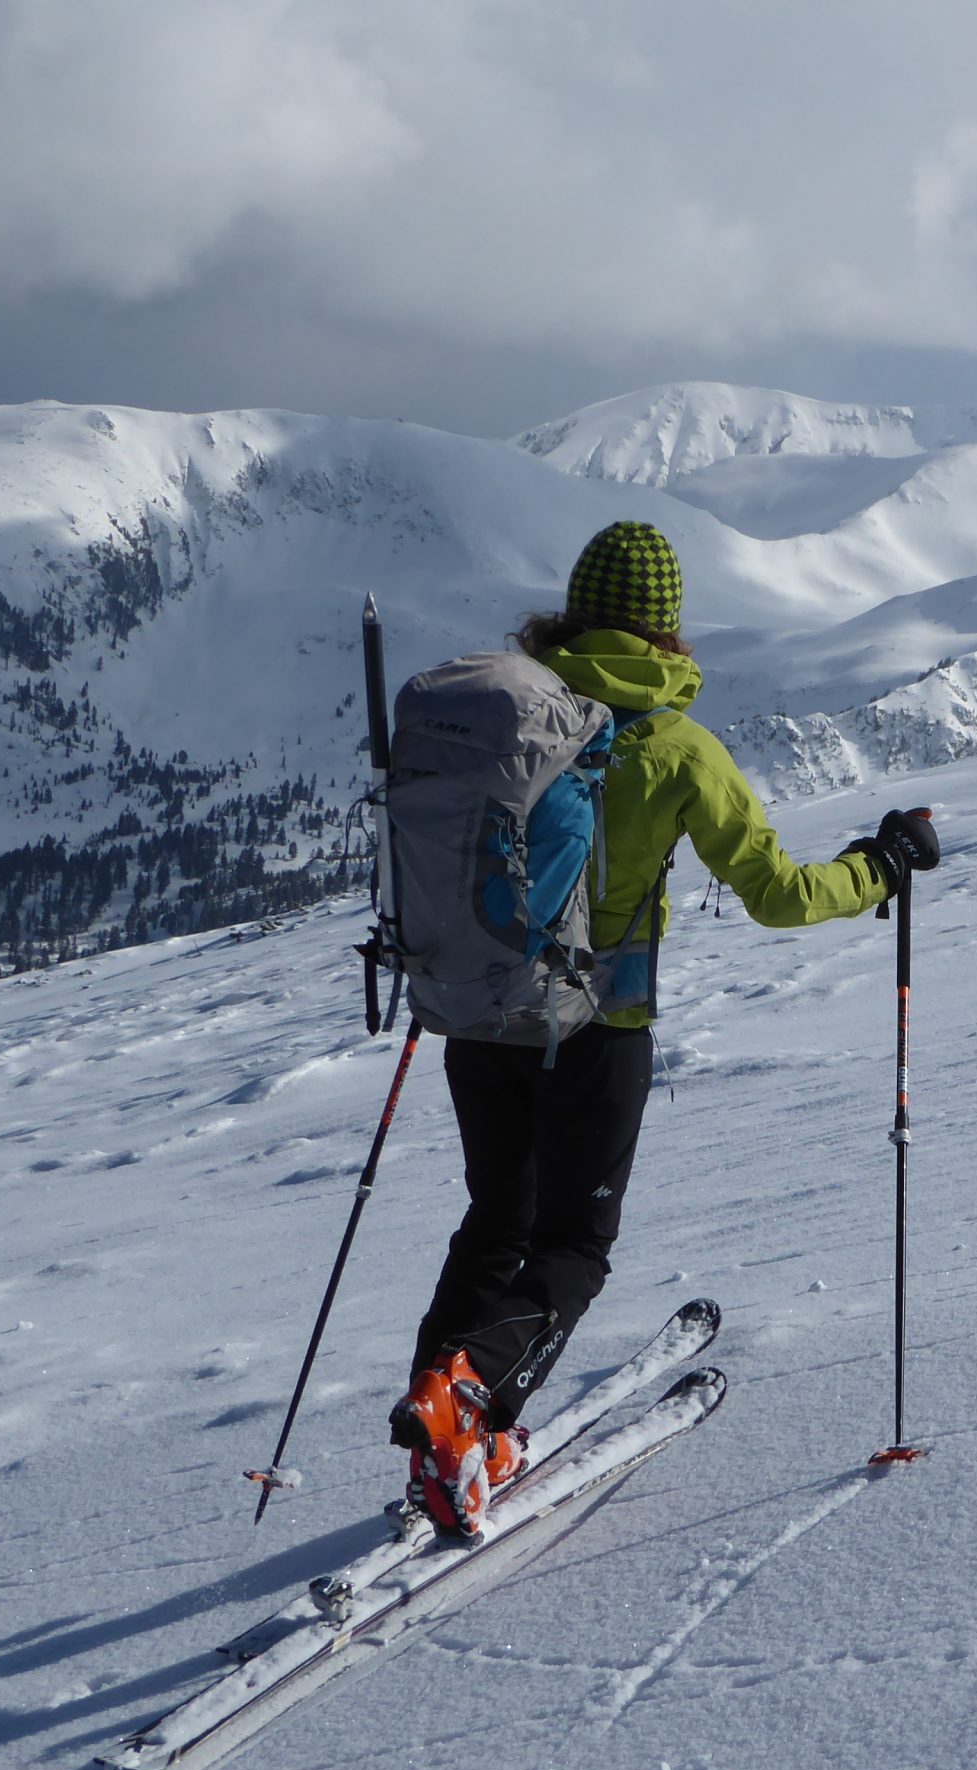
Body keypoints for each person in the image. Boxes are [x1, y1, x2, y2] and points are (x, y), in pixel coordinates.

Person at [389, 521, 938, 1530]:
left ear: (571, 610)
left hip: (477, 1015)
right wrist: (881, 867)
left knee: (493, 1222)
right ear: (670, 629)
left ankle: (440, 1422)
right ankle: (468, 1408)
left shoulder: (512, 713)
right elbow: (776, 895)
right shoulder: (675, 746)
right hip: (598, 1028)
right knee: (574, 1245)